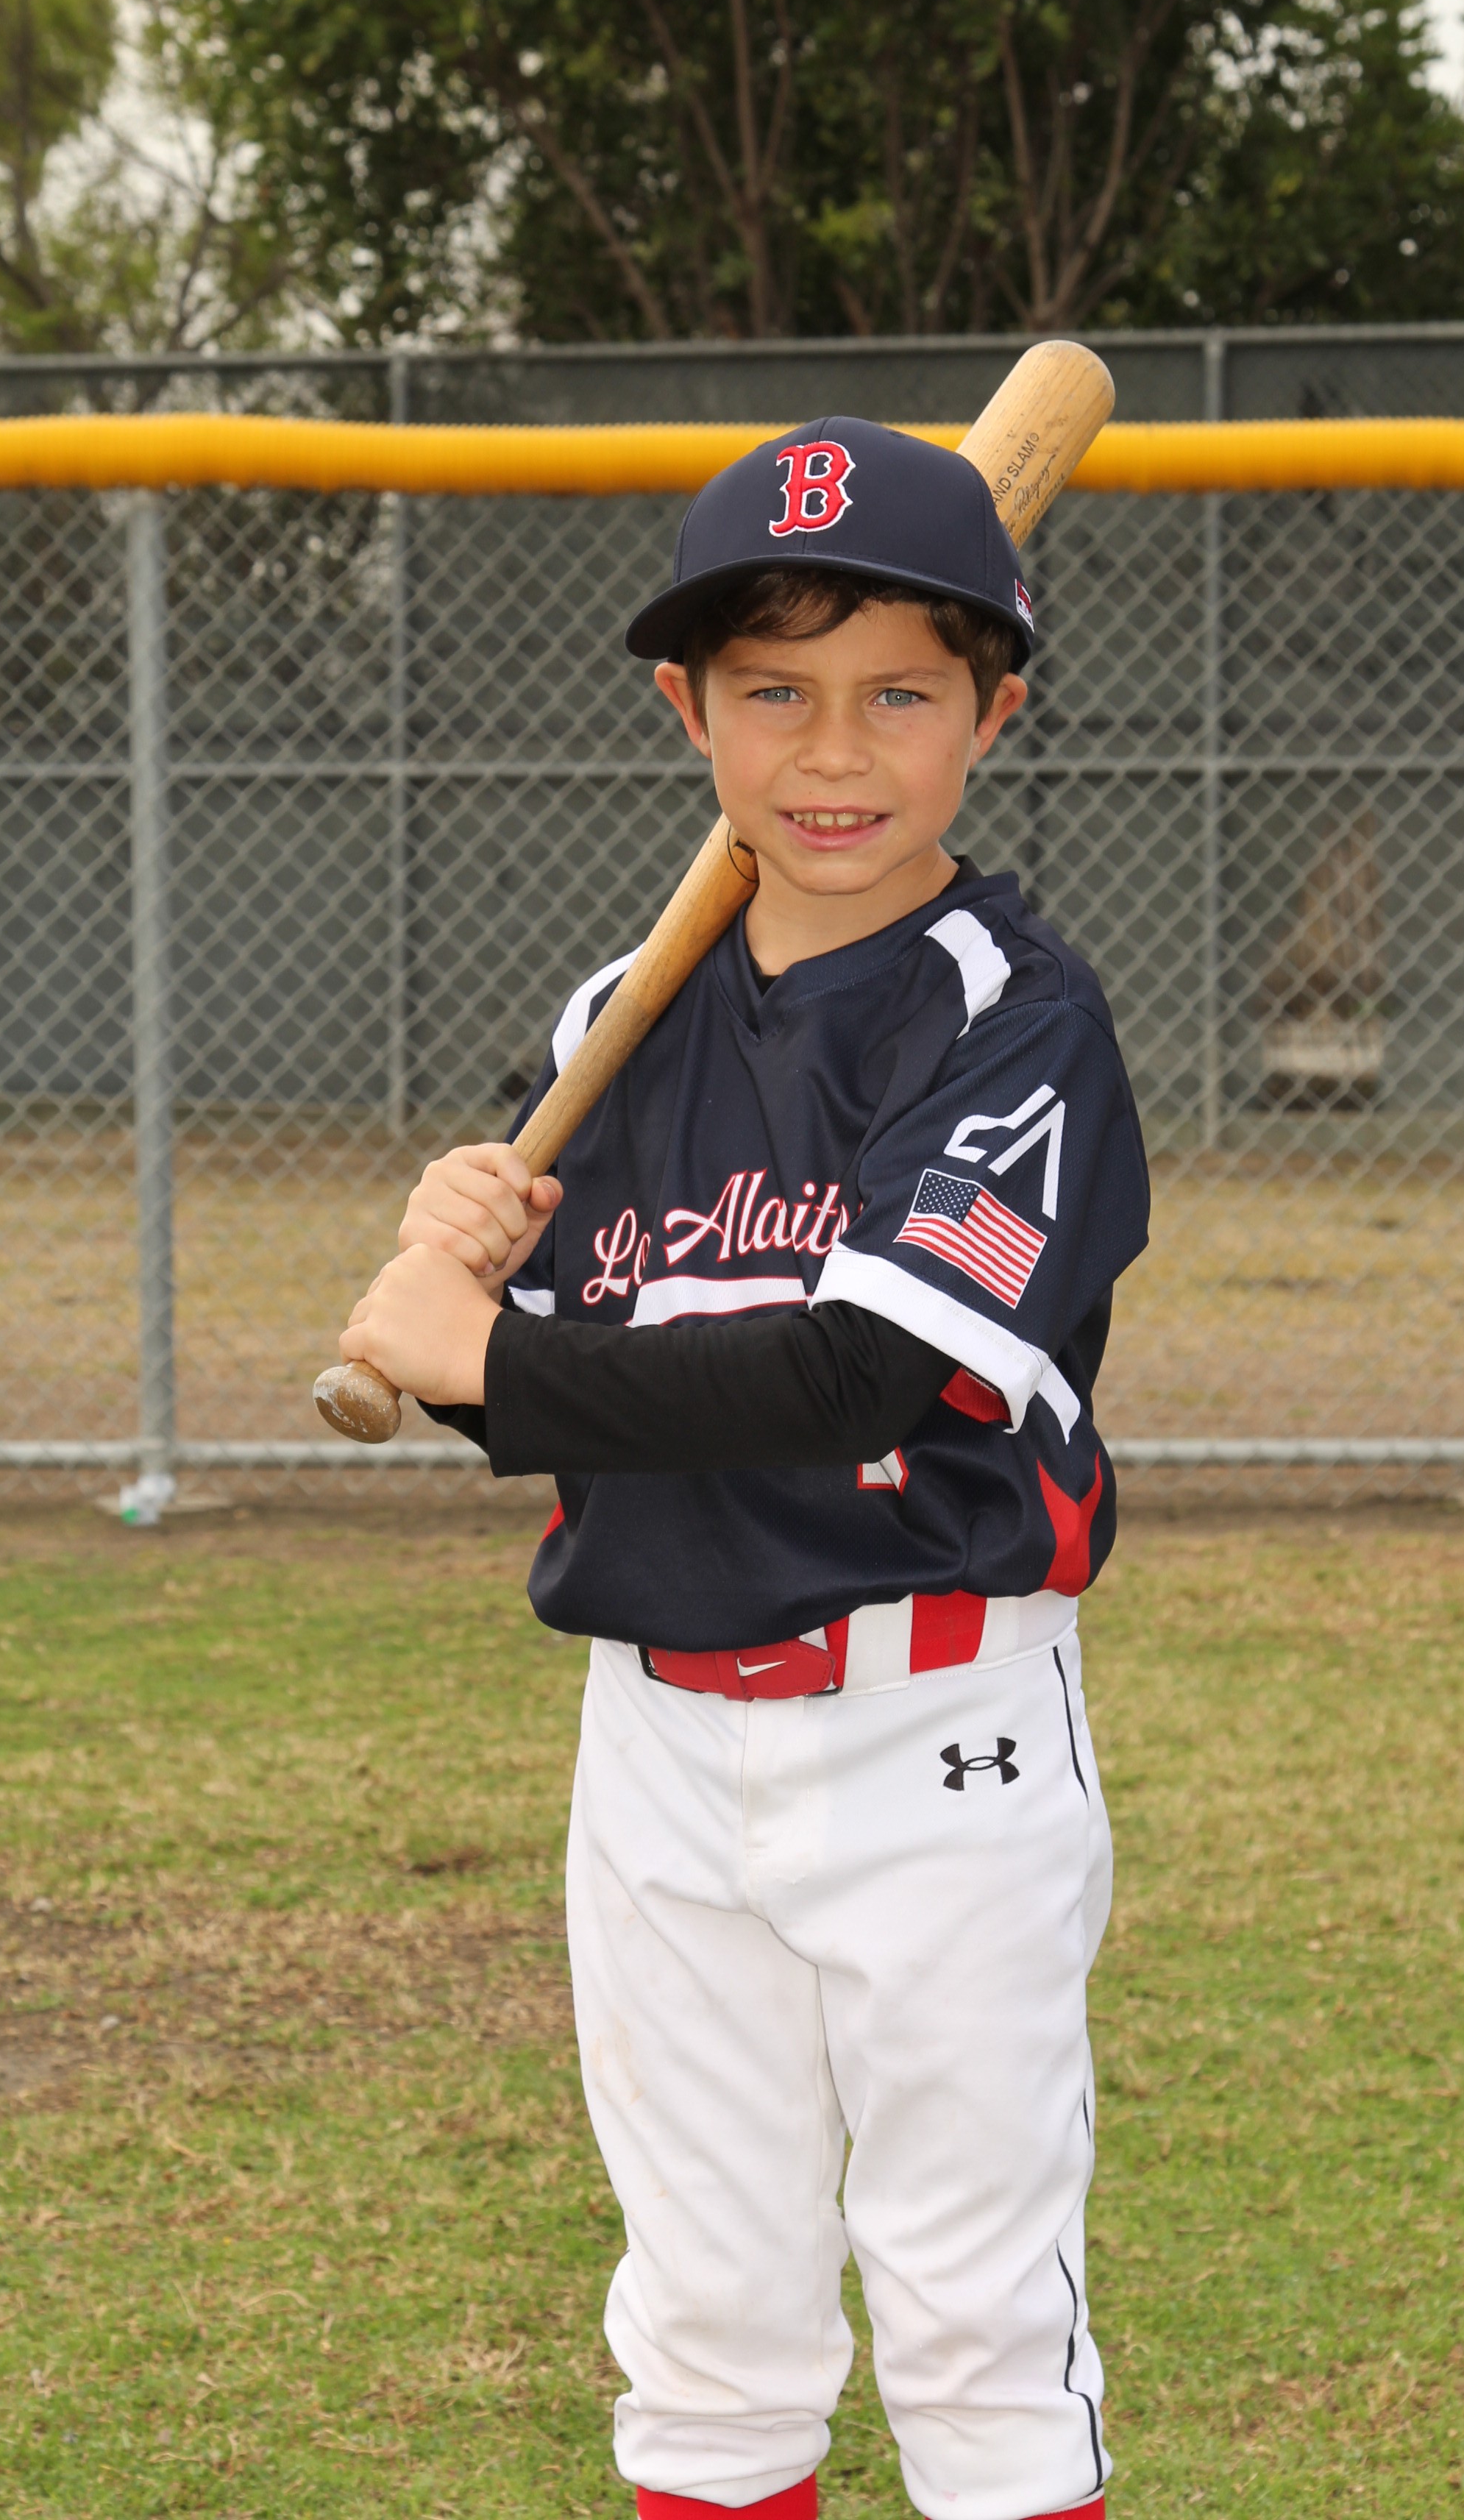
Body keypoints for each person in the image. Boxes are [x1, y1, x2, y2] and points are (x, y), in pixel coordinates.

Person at [340, 416, 1151, 2520]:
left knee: (973, 2319)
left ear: (995, 713)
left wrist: (490, 1366)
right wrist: (469, 1271)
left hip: (936, 1735)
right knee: (706, 2322)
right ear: (686, 711)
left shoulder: (1015, 1018)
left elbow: (863, 1371)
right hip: (660, 1739)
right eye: (775, 692)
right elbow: (584, 1361)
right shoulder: (621, 1015)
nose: (836, 752)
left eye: (901, 693)